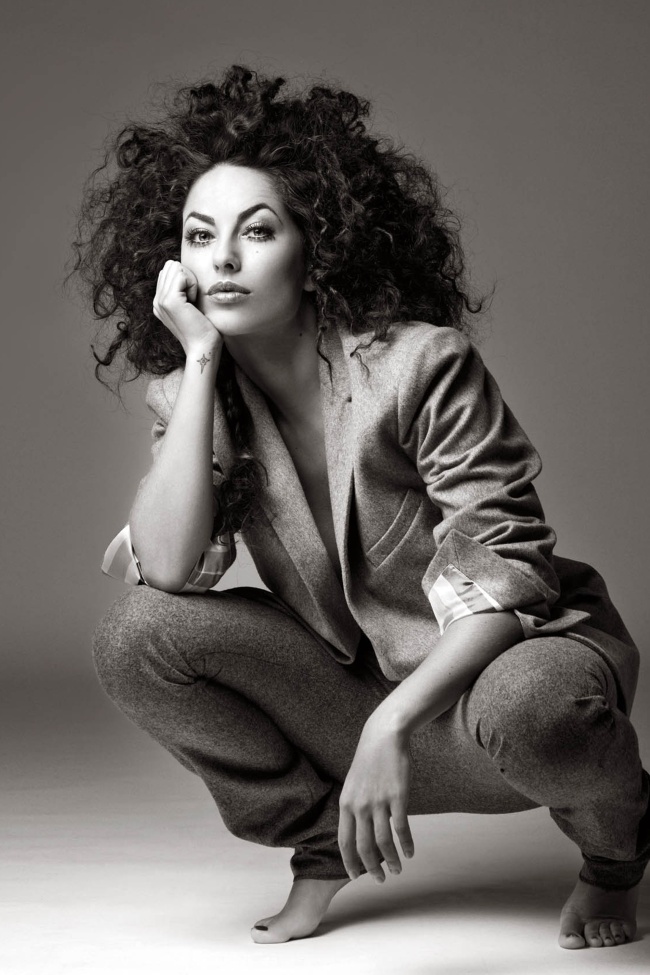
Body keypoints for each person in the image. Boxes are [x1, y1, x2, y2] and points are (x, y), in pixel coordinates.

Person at [73, 64, 648, 948]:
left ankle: (617, 852)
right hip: (350, 696)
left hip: (490, 689)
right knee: (136, 635)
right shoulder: (196, 398)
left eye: (257, 230)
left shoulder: (420, 365)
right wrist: (198, 362)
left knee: (538, 706)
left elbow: (511, 579)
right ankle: (319, 845)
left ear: (316, 249)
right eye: (199, 236)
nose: (222, 259)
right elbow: (170, 570)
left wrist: (392, 719)